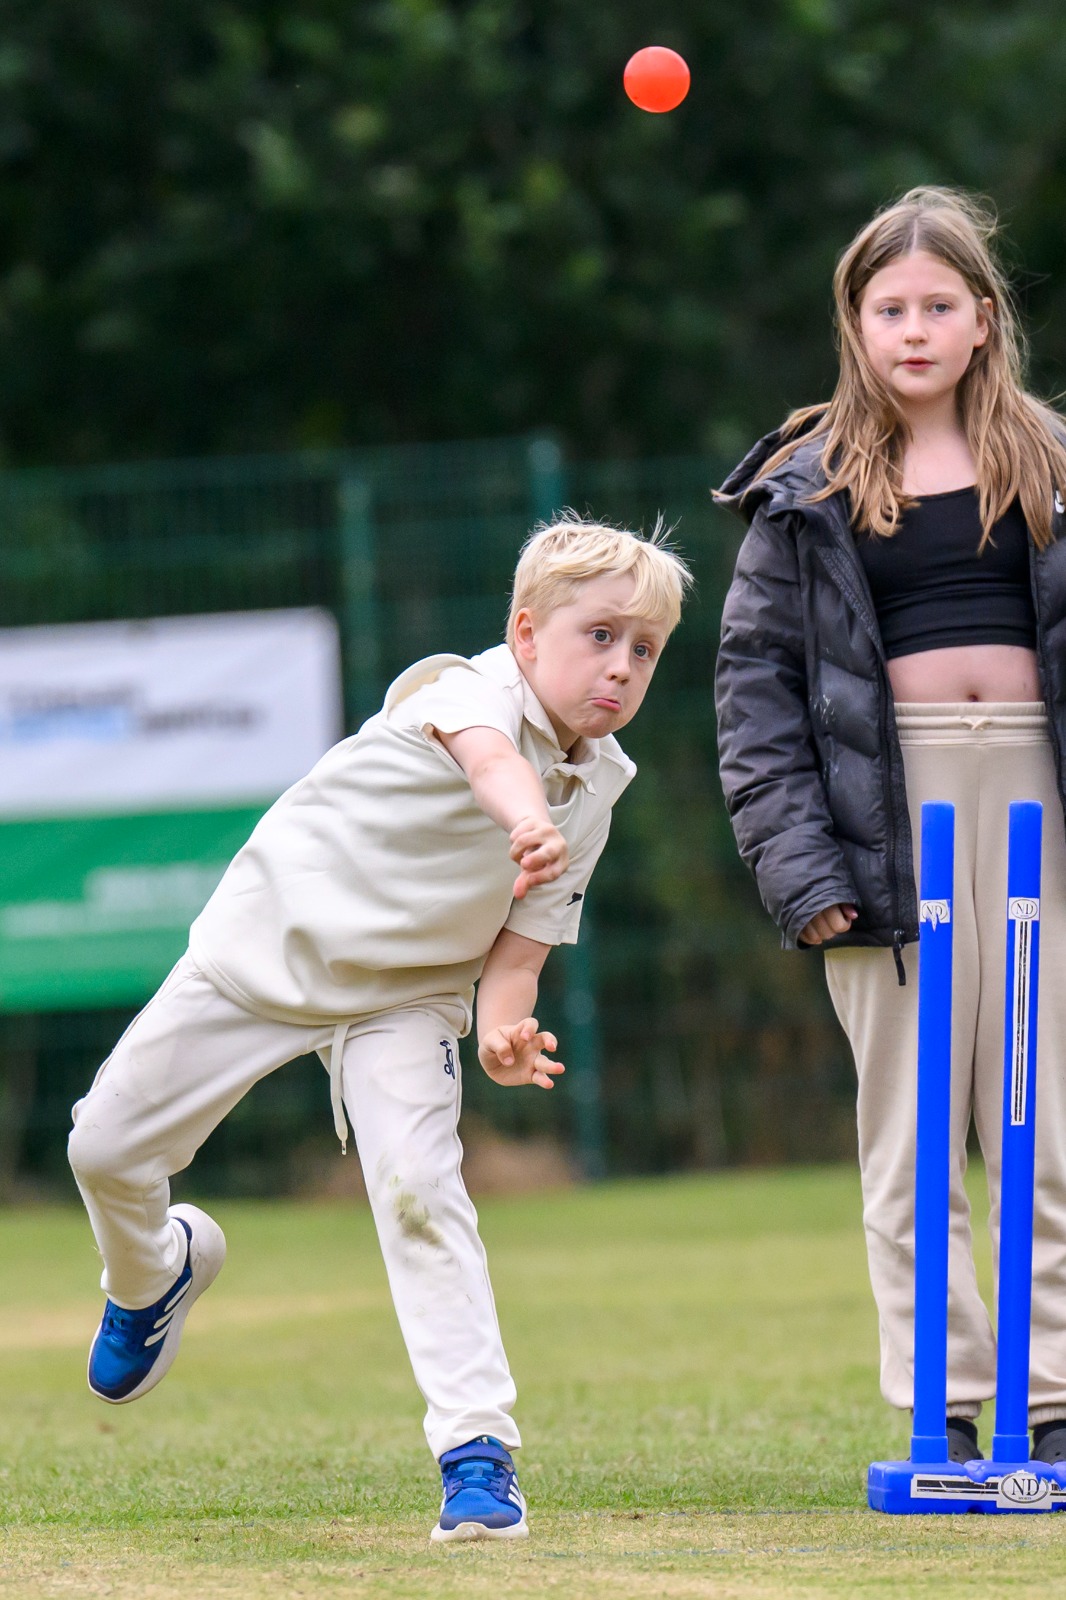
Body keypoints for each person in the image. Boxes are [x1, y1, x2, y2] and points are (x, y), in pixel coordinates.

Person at [68, 515, 692, 1541]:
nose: (622, 666)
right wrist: (525, 818)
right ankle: (153, 1275)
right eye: (600, 636)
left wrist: (504, 1033)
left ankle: (477, 1456)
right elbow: (492, 765)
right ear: (526, 635)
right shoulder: (465, 690)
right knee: (101, 1148)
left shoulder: (599, 786)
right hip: (270, 946)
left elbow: (519, 952)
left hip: (407, 995)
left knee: (419, 1192)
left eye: (645, 648)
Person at [715, 186, 1066, 1467]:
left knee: (1044, 1117)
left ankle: (1051, 1393)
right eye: (887, 309)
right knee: (913, 1132)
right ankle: (946, 1399)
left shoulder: (1053, 461)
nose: (912, 330)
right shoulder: (803, 485)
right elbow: (754, 696)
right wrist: (802, 871)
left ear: (983, 319)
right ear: (854, 326)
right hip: (885, 817)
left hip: (1037, 803)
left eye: (936, 306)